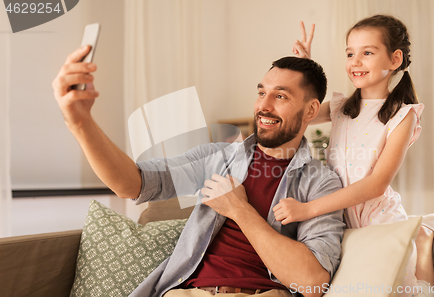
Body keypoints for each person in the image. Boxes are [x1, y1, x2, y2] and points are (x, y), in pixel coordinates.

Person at [52, 49, 344, 297]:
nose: (263, 106)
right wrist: (81, 123)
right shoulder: (216, 158)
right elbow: (134, 184)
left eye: (280, 96)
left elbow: (312, 282)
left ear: (311, 110)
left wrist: (239, 209)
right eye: (261, 93)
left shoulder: (320, 182)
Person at [273, 15, 434, 297]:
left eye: (367, 53)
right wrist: (306, 70)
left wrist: (308, 209)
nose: (355, 62)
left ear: (394, 60)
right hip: (341, 219)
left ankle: (423, 239)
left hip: (378, 219)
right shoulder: (340, 107)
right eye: (350, 53)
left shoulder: (402, 116)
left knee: (404, 290)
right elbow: (302, 113)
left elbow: (376, 184)